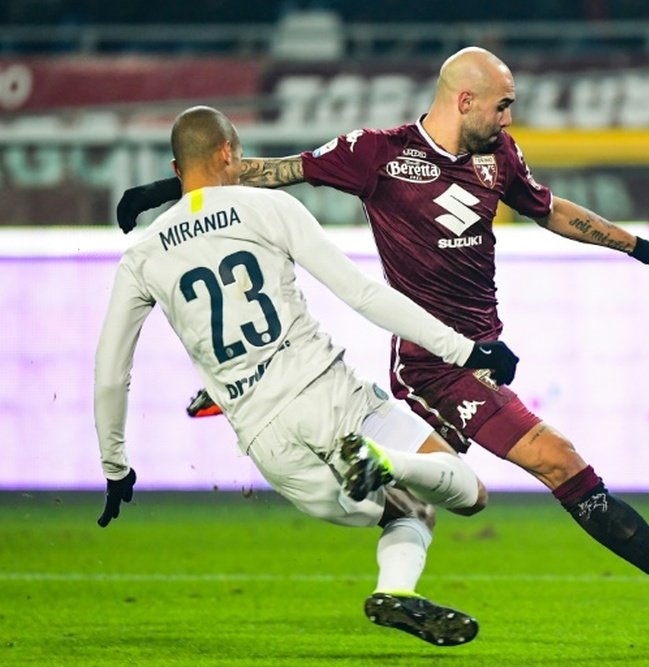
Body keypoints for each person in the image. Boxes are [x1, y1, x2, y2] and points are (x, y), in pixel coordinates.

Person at [117, 48, 649, 626]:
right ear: (464, 99)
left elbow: (550, 209)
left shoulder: (499, 155)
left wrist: (644, 249)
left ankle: (379, 552)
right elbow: (276, 171)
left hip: (480, 355)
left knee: (438, 499)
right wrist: (173, 190)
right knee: (555, 459)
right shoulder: (376, 154)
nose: (509, 117)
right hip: (433, 364)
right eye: (502, 105)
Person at [96, 105, 526, 646]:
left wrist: (116, 467)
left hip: (265, 439)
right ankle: (382, 462)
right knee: (468, 495)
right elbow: (362, 294)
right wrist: (466, 350)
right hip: (330, 393)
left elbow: (111, 373)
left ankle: (396, 592)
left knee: (406, 509)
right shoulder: (268, 208)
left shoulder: (142, 254)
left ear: (176, 168)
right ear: (229, 153)